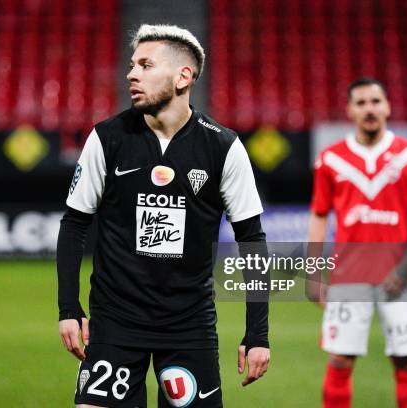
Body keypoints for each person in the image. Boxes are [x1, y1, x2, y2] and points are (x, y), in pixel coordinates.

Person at [57, 24, 270, 407]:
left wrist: (258, 334)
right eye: (132, 65)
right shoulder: (107, 138)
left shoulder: (224, 147)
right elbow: (74, 224)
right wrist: (69, 309)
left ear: (182, 77)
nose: (131, 74)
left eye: (146, 64)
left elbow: (252, 240)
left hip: (188, 327)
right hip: (114, 323)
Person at [307, 78, 407, 408]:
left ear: (388, 107)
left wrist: (404, 269)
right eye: (361, 103)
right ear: (349, 110)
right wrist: (313, 272)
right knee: (339, 361)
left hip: (401, 278)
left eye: (376, 101)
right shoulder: (330, 159)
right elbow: (319, 215)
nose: (369, 109)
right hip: (349, 276)